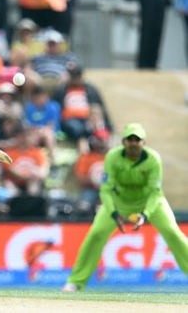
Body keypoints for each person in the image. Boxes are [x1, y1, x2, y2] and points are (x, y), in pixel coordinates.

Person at [62, 123, 188, 291]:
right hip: (118, 203)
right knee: (96, 234)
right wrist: (113, 213)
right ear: (123, 142)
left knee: (173, 233)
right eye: (130, 140)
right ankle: (76, 282)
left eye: (137, 140)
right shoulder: (113, 157)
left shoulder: (152, 159)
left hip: (149, 203)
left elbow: (155, 192)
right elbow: (106, 189)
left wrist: (145, 214)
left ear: (144, 142)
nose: (133, 144)